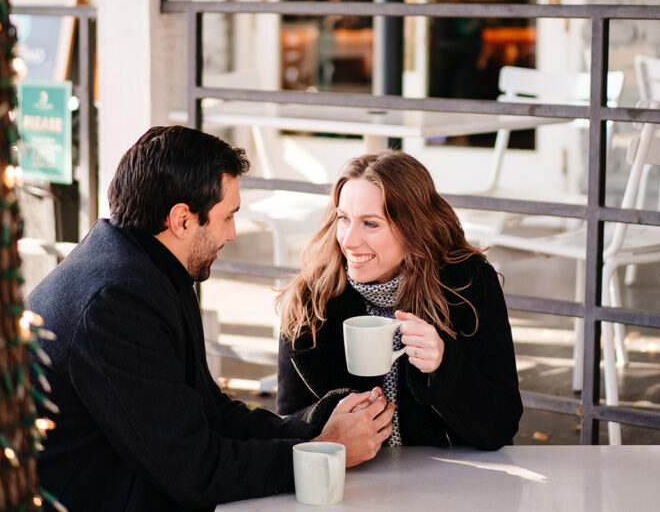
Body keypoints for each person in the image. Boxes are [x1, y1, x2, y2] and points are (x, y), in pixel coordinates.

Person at [26, 126, 395, 510]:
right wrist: (324, 450)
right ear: (182, 220)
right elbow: (193, 470)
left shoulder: (148, 265)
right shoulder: (114, 301)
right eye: (228, 216)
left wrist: (315, 424)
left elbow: (208, 410)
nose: (233, 234)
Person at [276, 150, 522, 449]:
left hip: (453, 482)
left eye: (371, 223)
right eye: (343, 219)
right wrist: (329, 419)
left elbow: (501, 424)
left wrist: (445, 366)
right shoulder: (310, 301)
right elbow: (288, 421)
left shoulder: (467, 285)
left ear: (414, 228)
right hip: (356, 484)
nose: (349, 241)